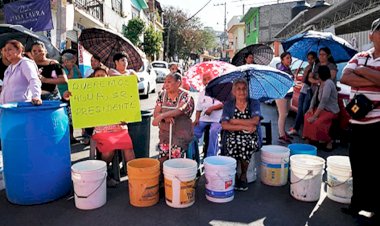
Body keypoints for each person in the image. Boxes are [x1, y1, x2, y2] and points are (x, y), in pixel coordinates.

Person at [63, 66, 135, 187]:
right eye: (97, 75)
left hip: (119, 128)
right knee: (109, 149)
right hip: (100, 130)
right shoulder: (88, 92)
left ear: (108, 76)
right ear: (93, 78)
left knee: (128, 147)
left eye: (103, 75)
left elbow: (127, 106)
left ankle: (135, 176)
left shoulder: (115, 90)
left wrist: (126, 119)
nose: (100, 77)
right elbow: (76, 104)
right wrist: (66, 96)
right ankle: (102, 174)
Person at [340, 18, 380, 224]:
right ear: (371, 35)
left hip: (377, 123)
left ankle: (376, 209)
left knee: (376, 168)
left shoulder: (360, 64)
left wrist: (362, 71)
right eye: (379, 32)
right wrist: (372, 75)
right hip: (357, 123)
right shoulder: (360, 56)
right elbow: (345, 77)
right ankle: (357, 204)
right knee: (358, 165)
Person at [221, 78, 260, 191]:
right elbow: (224, 125)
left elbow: (255, 121)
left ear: (247, 91)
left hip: (250, 135)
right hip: (232, 134)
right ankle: (232, 175)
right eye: (238, 89)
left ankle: (243, 175)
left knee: (245, 143)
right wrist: (244, 126)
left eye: (244, 89)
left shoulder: (253, 102)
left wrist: (234, 121)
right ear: (234, 91)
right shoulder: (228, 105)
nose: (241, 92)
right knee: (232, 143)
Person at [152, 72, 194, 164]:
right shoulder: (162, 95)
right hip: (165, 133)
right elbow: (156, 113)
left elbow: (180, 110)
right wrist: (164, 119)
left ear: (178, 83)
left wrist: (162, 115)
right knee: (163, 158)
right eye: (165, 82)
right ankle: (163, 178)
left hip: (180, 133)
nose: (166, 84)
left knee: (176, 160)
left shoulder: (185, 96)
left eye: (169, 82)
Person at [303, 65, 339, 150]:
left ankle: (328, 141)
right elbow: (314, 97)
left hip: (330, 111)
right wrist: (311, 108)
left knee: (317, 122)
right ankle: (310, 138)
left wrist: (315, 116)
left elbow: (323, 101)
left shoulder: (328, 83)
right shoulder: (321, 83)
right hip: (321, 109)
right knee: (307, 115)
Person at [0, 40, 42, 105]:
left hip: (21, 107)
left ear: (19, 50)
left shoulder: (25, 63)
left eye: (10, 49)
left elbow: (34, 80)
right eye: (5, 50)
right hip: (7, 108)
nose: (7, 53)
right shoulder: (9, 68)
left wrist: (36, 96)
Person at [193, 72, 223, 157]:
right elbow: (198, 109)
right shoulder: (202, 92)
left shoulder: (220, 90)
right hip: (204, 119)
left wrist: (212, 108)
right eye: (204, 79)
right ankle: (194, 155)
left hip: (217, 119)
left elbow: (223, 104)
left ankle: (211, 155)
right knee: (193, 132)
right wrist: (196, 119)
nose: (206, 81)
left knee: (213, 131)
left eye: (208, 78)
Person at [288, 51, 318, 136]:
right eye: (308, 59)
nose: (310, 61)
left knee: (306, 110)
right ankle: (296, 128)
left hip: (311, 91)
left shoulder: (317, 67)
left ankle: (306, 131)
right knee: (300, 110)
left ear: (315, 58)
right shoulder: (308, 67)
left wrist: (313, 76)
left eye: (312, 59)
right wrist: (307, 71)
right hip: (304, 89)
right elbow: (303, 80)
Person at [275, 52, 294, 143]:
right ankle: (281, 135)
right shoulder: (282, 69)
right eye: (287, 58)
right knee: (283, 114)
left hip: (288, 94)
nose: (289, 60)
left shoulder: (287, 68)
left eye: (290, 58)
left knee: (286, 113)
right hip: (281, 94)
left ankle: (283, 132)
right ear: (282, 60)